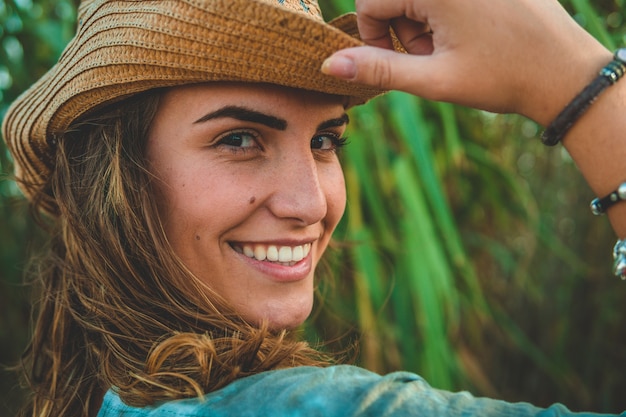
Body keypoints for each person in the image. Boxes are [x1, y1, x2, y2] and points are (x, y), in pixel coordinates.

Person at [1, 1, 624, 417]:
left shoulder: (117, 394)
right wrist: (570, 79)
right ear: (111, 176)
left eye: (324, 141)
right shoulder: (289, 404)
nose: (310, 204)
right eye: (239, 139)